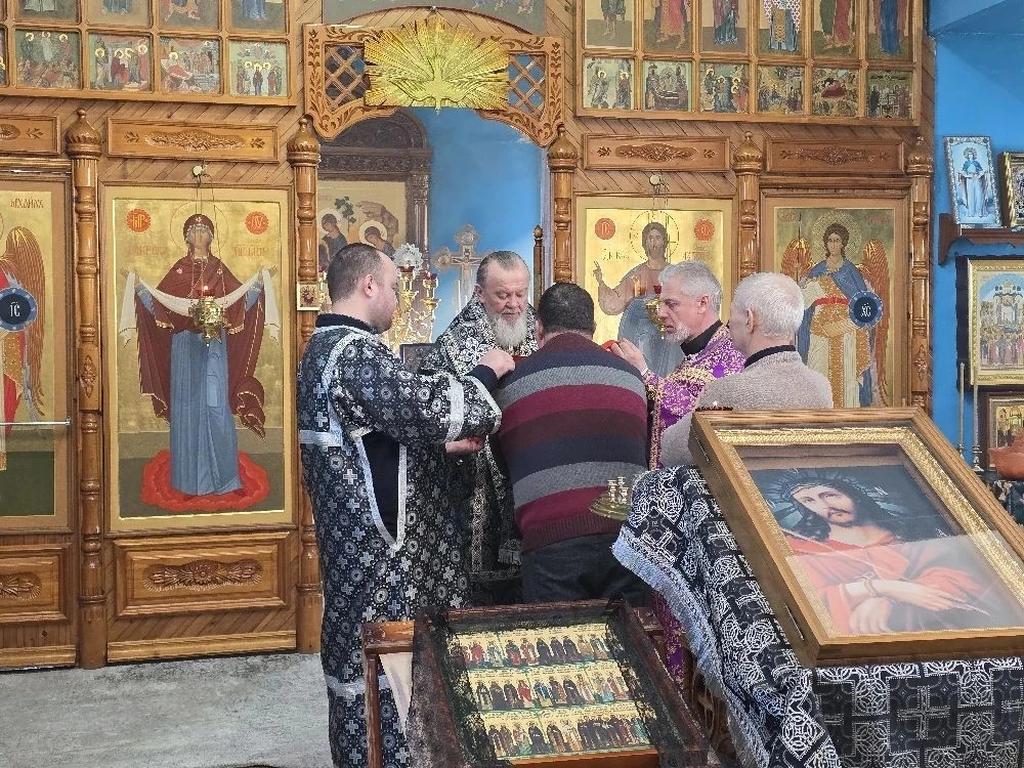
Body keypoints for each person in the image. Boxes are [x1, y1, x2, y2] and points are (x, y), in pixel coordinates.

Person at [297, 243, 513, 768]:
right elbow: (425, 409)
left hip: (353, 547)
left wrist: (439, 449)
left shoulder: (322, 348)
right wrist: (485, 373)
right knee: (387, 668)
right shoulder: (353, 353)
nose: (398, 298)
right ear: (368, 285)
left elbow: (370, 443)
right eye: (394, 286)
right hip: (381, 555)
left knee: (361, 659)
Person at [495, 283, 649, 605]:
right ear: (593, 328)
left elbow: (506, 464)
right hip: (628, 539)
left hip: (551, 543)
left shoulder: (512, 385)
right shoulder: (632, 378)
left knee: (559, 637)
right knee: (633, 634)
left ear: (538, 328)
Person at [125, 213, 273, 497]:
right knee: (187, 411)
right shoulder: (179, 270)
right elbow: (161, 304)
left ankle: (227, 480)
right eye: (193, 231)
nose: (199, 235)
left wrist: (258, 284)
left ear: (212, 236)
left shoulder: (219, 269)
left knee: (217, 409)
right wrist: (140, 288)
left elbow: (238, 303)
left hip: (214, 347)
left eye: (204, 230)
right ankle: (188, 483)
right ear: (186, 237)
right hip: (184, 347)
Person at [769, 470, 1024, 634]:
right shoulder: (801, 548)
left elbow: (962, 576)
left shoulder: (912, 534)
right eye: (808, 501)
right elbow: (804, 604)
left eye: (830, 495)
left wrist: (890, 600)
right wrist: (881, 588)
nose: (824, 506)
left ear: (856, 494)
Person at [420, 250, 537, 603]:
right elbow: (432, 413)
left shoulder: (539, 328)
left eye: (520, 294)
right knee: (481, 591)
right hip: (475, 480)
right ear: (480, 293)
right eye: (503, 295)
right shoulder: (453, 345)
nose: (514, 304)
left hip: (527, 466)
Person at [659, 272, 833, 466]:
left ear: (749, 319)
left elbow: (671, 452)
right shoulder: (821, 385)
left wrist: (697, 406)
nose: (729, 323)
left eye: (732, 314)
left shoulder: (728, 390)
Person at [612, 261, 744, 467]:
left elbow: (700, 416)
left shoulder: (729, 354)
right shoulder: (698, 352)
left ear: (702, 303)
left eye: (671, 304)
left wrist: (644, 374)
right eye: (661, 304)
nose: (661, 313)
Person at [796, 222, 880, 408]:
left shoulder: (851, 271)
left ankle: (849, 415)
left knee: (847, 374)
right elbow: (805, 303)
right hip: (820, 330)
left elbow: (862, 301)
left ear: (843, 243)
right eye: (830, 240)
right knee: (819, 368)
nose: (833, 244)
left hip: (846, 329)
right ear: (825, 243)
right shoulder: (817, 270)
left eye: (837, 240)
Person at [595, 221, 686, 377]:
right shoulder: (636, 274)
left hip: (669, 335)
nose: (654, 242)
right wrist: (601, 283)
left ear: (664, 242)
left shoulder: (676, 275)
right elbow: (615, 302)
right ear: (645, 243)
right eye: (650, 238)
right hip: (641, 334)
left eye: (658, 237)